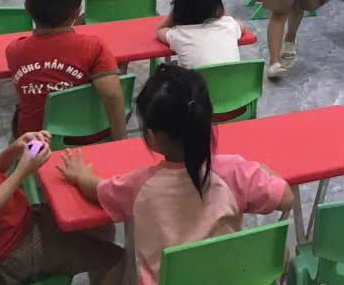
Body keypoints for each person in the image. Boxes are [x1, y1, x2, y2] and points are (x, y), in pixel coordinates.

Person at [58, 65, 292, 285]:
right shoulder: (236, 171)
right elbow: (286, 199)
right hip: (227, 280)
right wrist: (264, 169)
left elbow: (98, 191)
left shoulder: (138, 185)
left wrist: (80, 176)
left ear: (152, 137)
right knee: (282, 251)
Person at [0, 47, 125, 285]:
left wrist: (13, 150)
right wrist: (22, 172)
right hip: (1, 257)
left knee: (95, 224)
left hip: (11, 230)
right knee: (116, 259)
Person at [5, 0, 126, 143]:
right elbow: (112, 95)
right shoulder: (93, 47)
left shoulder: (13, 50)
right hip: (87, 140)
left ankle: (21, 158)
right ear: (77, 12)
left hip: (37, 145)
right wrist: (121, 139)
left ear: (27, 7)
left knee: (19, 118)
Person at [156, 0, 242, 68]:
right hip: (235, 78)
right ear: (218, 6)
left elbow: (160, 30)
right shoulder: (229, 25)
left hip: (196, 79)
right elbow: (240, 25)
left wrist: (176, 11)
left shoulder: (179, 34)